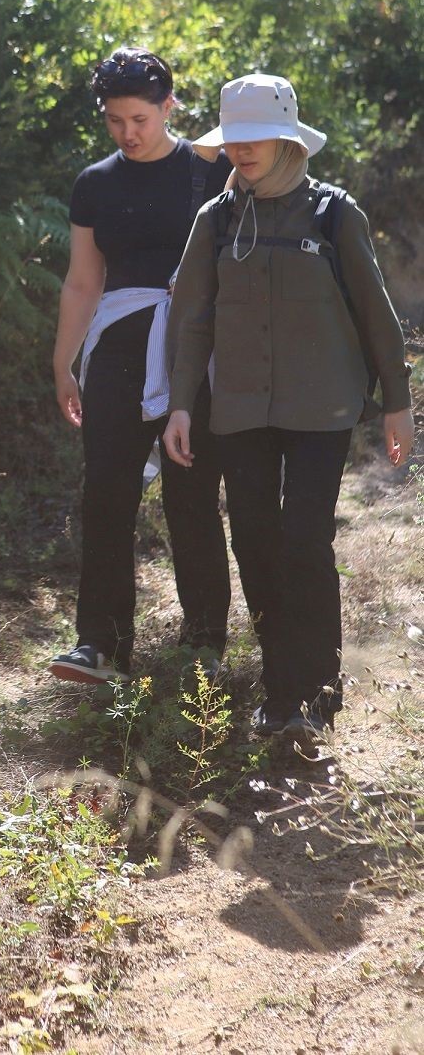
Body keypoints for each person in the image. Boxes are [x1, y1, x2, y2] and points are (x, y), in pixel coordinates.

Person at [163, 73, 414, 748]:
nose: (241, 151)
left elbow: (374, 312)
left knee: (302, 538)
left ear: (284, 139)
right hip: (239, 407)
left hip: (321, 404)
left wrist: (397, 401)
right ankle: (280, 695)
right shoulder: (213, 221)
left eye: (254, 138)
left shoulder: (334, 214)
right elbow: (189, 322)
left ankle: (317, 689)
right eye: (232, 139)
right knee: (253, 540)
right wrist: (178, 407)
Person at [50, 47, 232, 685]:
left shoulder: (211, 169)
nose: (127, 133)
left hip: (194, 348)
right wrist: (62, 362)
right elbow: (81, 281)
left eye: (140, 120)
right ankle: (100, 645)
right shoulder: (95, 183)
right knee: (106, 491)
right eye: (114, 120)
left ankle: (205, 640)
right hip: (119, 347)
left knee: (192, 495)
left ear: (169, 108)